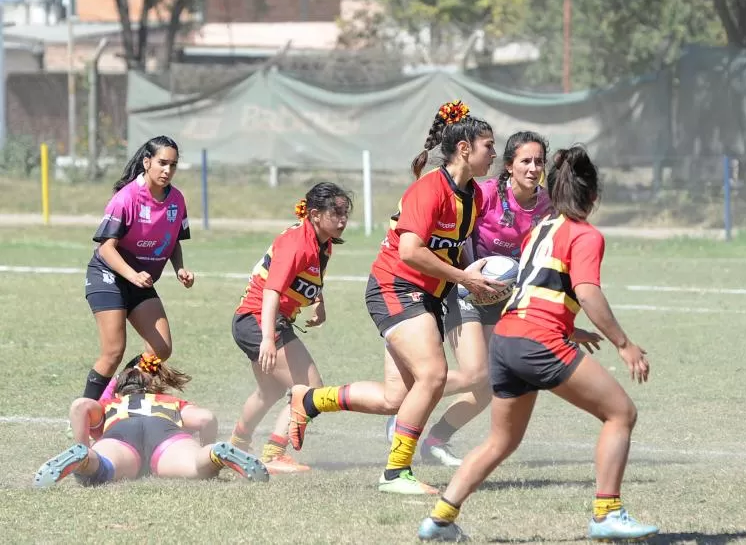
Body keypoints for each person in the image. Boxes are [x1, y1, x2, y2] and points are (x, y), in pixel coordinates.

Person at [416, 144, 659, 542]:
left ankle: (438, 520)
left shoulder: (539, 230)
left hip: (509, 338)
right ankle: (607, 513)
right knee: (620, 414)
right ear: (593, 199)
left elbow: (536, 291)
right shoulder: (585, 235)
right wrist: (624, 343)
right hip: (537, 342)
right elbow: (588, 292)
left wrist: (568, 328)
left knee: (501, 441)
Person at [287, 100, 505, 495]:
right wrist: (464, 279)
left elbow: (454, 248)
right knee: (434, 375)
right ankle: (395, 473)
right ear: (465, 149)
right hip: (396, 287)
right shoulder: (429, 189)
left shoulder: (474, 195)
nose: (495, 153)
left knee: (396, 398)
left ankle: (310, 401)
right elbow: (410, 251)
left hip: (427, 298)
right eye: (489, 145)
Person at [416, 131, 552, 467]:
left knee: (489, 383)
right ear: (509, 165)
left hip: (502, 297)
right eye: (525, 161)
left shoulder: (546, 205)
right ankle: (407, 404)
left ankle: (435, 440)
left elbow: (544, 252)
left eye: (539, 161)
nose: (533, 168)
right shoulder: (485, 193)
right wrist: (469, 273)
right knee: (475, 373)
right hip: (463, 288)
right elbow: (455, 235)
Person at [228, 182, 351, 474]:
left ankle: (236, 447)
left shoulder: (323, 242)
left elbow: (307, 276)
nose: (343, 219)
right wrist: (268, 339)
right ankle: (273, 452)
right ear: (315, 214)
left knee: (268, 391)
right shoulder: (298, 242)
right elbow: (272, 290)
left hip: (258, 321)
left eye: (345, 212)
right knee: (312, 389)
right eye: (336, 212)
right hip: (259, 320)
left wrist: (318, 301)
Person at [34, 354, 268, 487]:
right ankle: (214, 453)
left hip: (120, 435)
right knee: (197, 466)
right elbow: (206, 418)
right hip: (166, 434)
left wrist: (85, 444)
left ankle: (84, 458)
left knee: (101, 469)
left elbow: (80, 406)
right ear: (151, 388)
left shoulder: (111, 404)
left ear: (119, 392)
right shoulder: (168, 402)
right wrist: (203, 447)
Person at [81, 136, 194, 402]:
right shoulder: (127, 198)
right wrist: (131, 274)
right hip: (108, 275)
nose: (168, 171)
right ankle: (84, 416)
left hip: (139, 281)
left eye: (173, 165)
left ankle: (111, 398)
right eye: (162, 163)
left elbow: (174, 240)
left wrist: (179, 269)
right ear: (147, 162)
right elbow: (106, 248)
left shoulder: (176, 200)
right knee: (113, 352)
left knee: (160, 348)